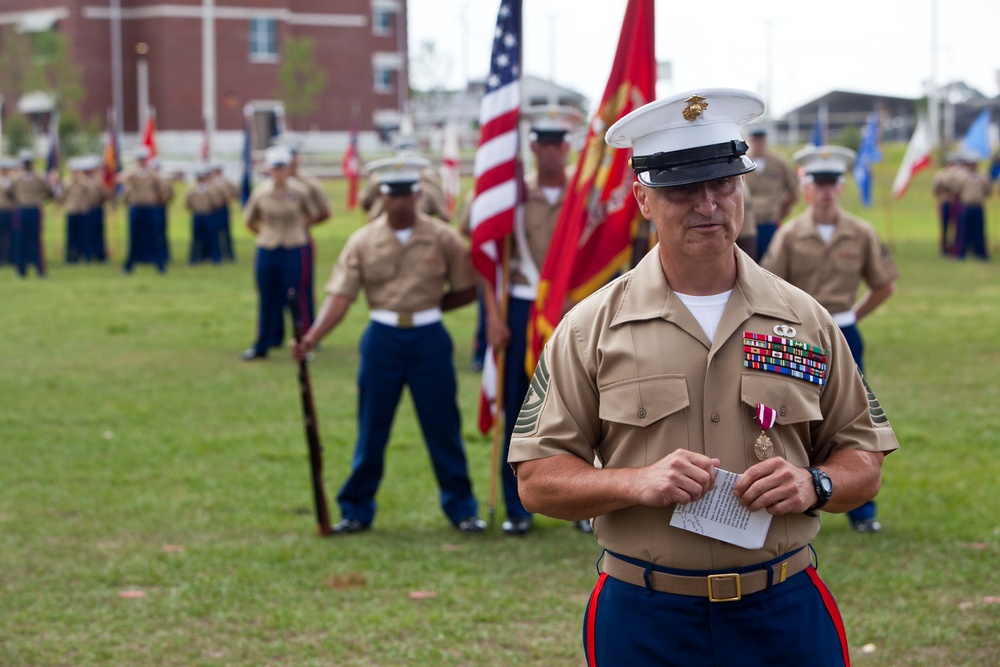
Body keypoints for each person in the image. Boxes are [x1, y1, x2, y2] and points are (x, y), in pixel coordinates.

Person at [509, 89, 899, 666]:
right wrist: (634, 483)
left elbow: (863, 458)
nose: (708, 204)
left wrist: (814, 484)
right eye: (682, 188)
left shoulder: (805, 319)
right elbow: (538, 480)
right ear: (643, 198)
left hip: (781, 613)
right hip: (647, 619)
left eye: (723, 183)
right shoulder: (590, 327)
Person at [290, 154, 486, 535]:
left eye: (407, 194)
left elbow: (467, 287)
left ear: (418, 194)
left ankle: (462, 508)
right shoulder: (362, 241)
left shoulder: (442, 236)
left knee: (443, 427)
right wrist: (312, 337)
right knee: (372, 427)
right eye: (392, 194)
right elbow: (341, 297)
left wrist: (431, 308)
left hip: (429, 338)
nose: (400, 201)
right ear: (381, 195)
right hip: (382, 338)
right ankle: (356, 510)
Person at [761, 144, 898, 534]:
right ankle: (790, 495)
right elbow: (768, 286)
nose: (825, 191)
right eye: (818, 183)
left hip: (845, 332)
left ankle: (862, 510)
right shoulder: (790, 234)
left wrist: (853, 315)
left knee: (855, 421)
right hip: (797, 335)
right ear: (806, 188)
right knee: (792, 414)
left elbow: (883, 284)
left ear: (841, 187)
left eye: (832, 183)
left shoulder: (860, 232)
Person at [479, 104, 589, 536]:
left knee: (582, 405)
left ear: (567, 147)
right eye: (541, 142)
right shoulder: (510, 197)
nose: (549, 151)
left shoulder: (584, 197)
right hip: (522, 307)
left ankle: (585, 503)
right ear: (531, 147)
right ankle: (516, 506)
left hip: (577, 306)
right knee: (520, 404)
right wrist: (492, 316)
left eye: (557, 143)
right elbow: (487, 256)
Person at [241, 145, 320, 360]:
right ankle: (262, 343)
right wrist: (265, 233)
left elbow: (315, 214)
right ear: (269, 170)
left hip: (294, 246)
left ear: (288, 169)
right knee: (266, 297)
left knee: (297, 297)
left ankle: (303, 344)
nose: (279, 172)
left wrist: (299, 228)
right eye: (275, 168)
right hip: (268, 247)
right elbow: (249, 220)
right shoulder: (261, 192)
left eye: (282, 167)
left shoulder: (300, 192)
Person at [744, 126, 799, 261]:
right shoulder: (742, 163)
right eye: (755, 139)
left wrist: (781, 211)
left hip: (771, 221)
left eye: (761, 139)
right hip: (748, 224)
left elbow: (794, 191)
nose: (758, 143)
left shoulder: (778, 162)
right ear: (749, 140)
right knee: (748, 264)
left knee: (774, 262)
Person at [119, 147, 169, 273]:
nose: (142, 162)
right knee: (134, 237)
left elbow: (164, 188)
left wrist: (161, 200)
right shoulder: (131, 174)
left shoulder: (153, 174)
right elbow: (125, 190)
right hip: (136, 207)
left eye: (144, 159)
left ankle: (159, 264)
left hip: (150, 208)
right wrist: (127, 200)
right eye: (140, 159)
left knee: (154, 236)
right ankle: (130, 264)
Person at [9, 149, 54, 278]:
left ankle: (40, 269)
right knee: (20, 239)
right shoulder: (16, 178)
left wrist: (39, 199)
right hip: (21, 209)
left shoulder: (39, 177)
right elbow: (9, 193)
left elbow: (49, 192)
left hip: (34, 209)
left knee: (35, 240)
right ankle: (21, 269)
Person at [952, 152, 990, 260]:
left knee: (979, 231)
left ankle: (980, 253)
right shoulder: (962, 177)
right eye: (970, 164)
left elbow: (987, 189)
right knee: (963, 230)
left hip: (978, 205)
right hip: (966, 205)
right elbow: (957, 190)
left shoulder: (982, 177)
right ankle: (961, 253)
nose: (972, 166)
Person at [186, 163, 225, 264]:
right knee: (196, 238)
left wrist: (209, 192)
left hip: (209, 214)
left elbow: (217, 202)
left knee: (213, 237)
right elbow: (187, 202)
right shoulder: (192, 189)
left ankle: (216, 258)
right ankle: (194, 258)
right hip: (198, 215)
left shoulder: (212, 188)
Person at [930, 155, 963, 256]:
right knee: (944, 226)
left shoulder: (960, 174)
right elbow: (935, 189)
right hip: (945, 201)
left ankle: (955, 247)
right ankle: (944, 248)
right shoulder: (941, 175)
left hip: (956, 202)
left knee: (958, 226)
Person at [0, 156, 19, 266]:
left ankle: (12, 257)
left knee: (13, 235)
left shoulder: (14, 181)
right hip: (1, 210)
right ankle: (2, 258)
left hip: (12, 210)